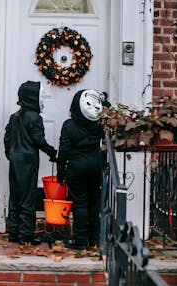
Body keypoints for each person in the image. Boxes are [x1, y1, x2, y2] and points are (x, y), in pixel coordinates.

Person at [4, 81, 57, 245]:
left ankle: (13, 232)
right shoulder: (34, 117)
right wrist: (51, 152)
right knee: (28, 197)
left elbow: (7, 138)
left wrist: (10, 154)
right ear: (33, 98)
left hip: (15, 160)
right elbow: (39, 140)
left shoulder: (15, 117)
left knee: (15, 196)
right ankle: (25, 235)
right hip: (28, 161)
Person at [56, 89, 110, 250]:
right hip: (96, 166)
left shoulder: (69, 125)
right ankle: (94, 239)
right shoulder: (99, 125)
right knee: (94, 203)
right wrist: (103, 100)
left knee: (80, 204)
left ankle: (80, 240)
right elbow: (109, 110)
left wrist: (61, 172)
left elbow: (63, 150)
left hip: (77, 168)